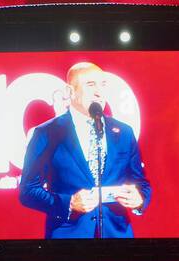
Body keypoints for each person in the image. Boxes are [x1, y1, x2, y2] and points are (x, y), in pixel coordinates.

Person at [18, 61, 151, 238]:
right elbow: (28, 190)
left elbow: (141, 182)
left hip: (117, 235)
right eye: (90, 85)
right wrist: (69, 203)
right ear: (69, 92)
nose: (99, 92)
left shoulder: (123, 132)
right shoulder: (47, 132)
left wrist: (139, 199)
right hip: (69, 236)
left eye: (103, 85)